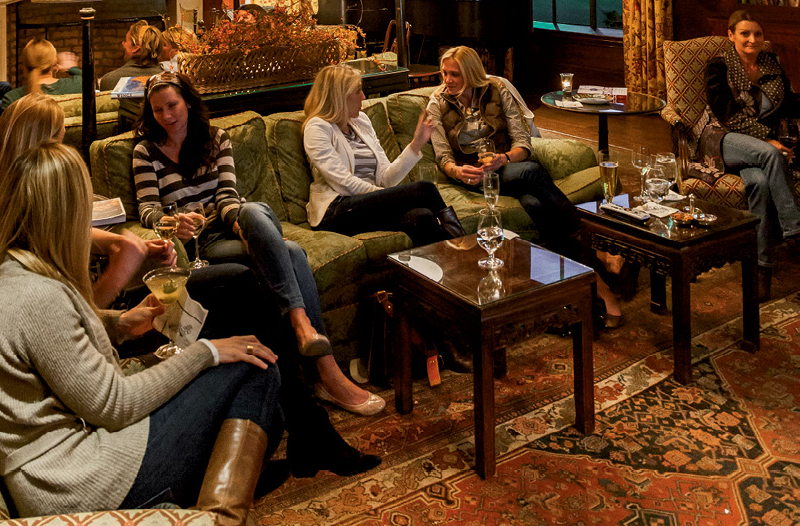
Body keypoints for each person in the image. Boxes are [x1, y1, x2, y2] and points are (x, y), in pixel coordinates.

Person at [0, 142, 282, 523]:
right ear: (64, 217)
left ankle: (180, 506)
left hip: (74, 466)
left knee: (249, 374)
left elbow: (56, 344)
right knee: (255, 366)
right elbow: (115, 406)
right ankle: (216, 519)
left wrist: (118, 324)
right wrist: (206, 352)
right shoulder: (35, 295)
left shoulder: (12, 268)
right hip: (81, 483)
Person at [132, 71, 384, 416]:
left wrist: (243, 228)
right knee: (292, 251)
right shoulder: (145, 151)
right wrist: (172, 222)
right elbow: (147, 207)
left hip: (227, 227)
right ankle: (322, 361)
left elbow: (226, 196)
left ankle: (312, 349)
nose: (168, 116)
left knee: (250, 211)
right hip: (201, 246)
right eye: (158, 110)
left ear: (188, 102)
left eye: (173, 106)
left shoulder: (216, 138)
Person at [426, 45, 624, 327]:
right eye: (445, 73)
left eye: (455, 74)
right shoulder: (437, 103)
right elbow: (443, 157)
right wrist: (458, 171)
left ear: (471, 73)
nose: (448, 80)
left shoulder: (497, 90)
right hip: (475, 178)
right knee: (532, 173)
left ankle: (595, 284)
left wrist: (503, 158)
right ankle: (596, 251)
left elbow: (524, 144)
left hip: (508, 166)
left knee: (534, 203)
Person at [0, 94, 176, 307]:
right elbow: (78, 318)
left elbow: (60, 231)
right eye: (59, 143)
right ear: (37, 150)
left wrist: (116, 243)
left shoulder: (11, 204)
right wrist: (118, 274)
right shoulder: (21, 259)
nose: (63, 153)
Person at [302, 63, 465, 247]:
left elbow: (386, 179)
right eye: (358, 91)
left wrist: (416, 144)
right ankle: (464, 250)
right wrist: (390, 196)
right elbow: (344, 183)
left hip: (369, 205)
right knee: (424, 190)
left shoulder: (361, 121)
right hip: (337, 209)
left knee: (422, 217)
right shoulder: (317, 128)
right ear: (341, 96)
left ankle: (442, 272)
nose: (363, 96)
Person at [697, 9, 800, 275]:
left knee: (760, 182)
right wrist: (769, 141)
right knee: (770, 155)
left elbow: (788, 103)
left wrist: (781, 136)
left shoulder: (771, 62)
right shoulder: (718, 65)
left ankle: (760, 267)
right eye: (745, 33)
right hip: (721, 138)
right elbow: (727, 114)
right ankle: (795, 230)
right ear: (731, 35)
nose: (752, 39)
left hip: (761, 145)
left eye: (757, 34)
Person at [0, 39, 82, 113]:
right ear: (54, 63)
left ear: (24, 65)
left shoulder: (12, 99)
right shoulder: (78, 84)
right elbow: (89, 80)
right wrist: (71, 68)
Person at [100, 20, 164, 91]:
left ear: (136, 48)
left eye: (126, 41)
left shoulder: (109, 80)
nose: (123, 43)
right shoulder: (169, 79)